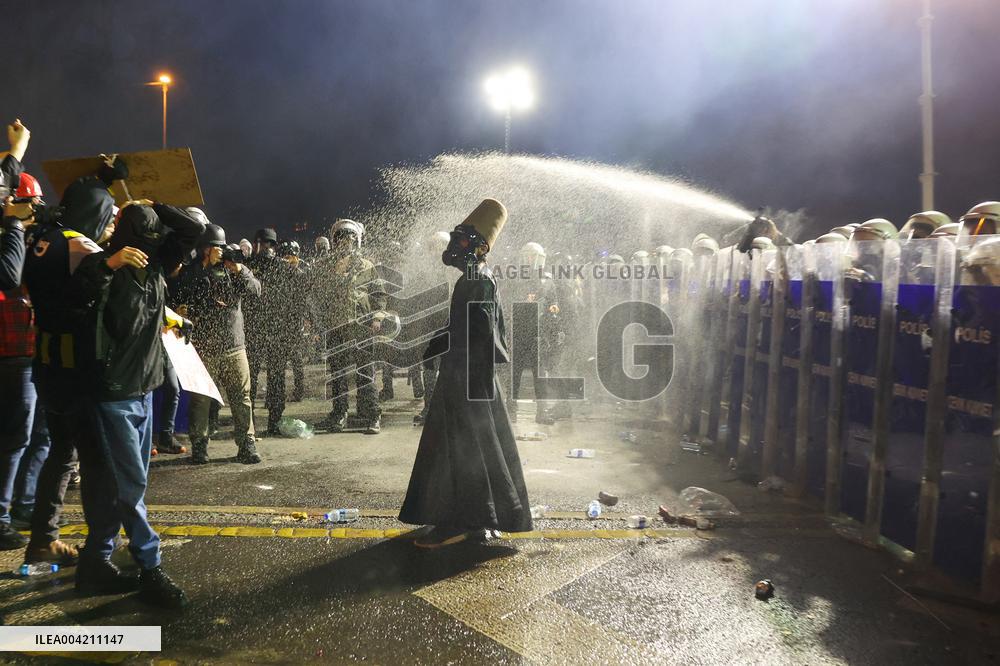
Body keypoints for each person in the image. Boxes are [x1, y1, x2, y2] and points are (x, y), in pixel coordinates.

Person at [21, 156, 144, 588]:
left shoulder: (43, 237)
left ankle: (43, 539)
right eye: (107, 217)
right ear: (94, 214)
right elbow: (90, 295)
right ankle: (98, 559)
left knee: (60, 453)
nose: (111, 226)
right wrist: (111, 263)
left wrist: (104, 181)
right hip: (77, 372)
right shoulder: (82, 247)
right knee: (98, 466)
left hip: (48, 366)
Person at [88, 201, 202, 607]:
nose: (154, 248)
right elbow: (78, 292)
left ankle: (95, 558)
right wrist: (111, 264)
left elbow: (192, 229)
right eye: (146, 239)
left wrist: (155, 205)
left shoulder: (153, 267)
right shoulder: (102, 269)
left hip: (141, 390)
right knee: (129, 485)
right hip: (114, 396)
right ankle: (149, 566)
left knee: (120, 484)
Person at [400, 198, 532, 547]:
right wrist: (443, 340)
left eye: (463, 239)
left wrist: (445, 344)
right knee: (480, 447)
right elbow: (470, 325)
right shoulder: (476, 276)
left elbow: (478, 330)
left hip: (467, 377)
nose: (455, 246)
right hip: (474, 377)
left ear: (481, 246)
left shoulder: (478, 278)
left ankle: (458, 521)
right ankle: (484, 519)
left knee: (461, 450)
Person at [175, 219, 262, 464]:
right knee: (201, 399)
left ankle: (247, 445)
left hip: (235, 346)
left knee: (241, 398)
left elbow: (255, 290)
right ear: (204, 248)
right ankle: (200, 447)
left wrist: (239, 269)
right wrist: (204, 266)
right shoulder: (193, 271)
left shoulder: (232, 270)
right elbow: (181, 290)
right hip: (205, 349)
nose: (221, 251)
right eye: (216, 247)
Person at [310, 219, 384, 434]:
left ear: (356, 241)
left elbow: (378, 295)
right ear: (335, 242)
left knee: (365, 373)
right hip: (335, 328)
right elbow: (318, 297)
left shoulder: (367, 266)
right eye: (341, 239)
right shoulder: (325, 268)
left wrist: (377, 318)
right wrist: (318, 324)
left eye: (350, 239)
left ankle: (372, 416)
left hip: (361, 327)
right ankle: (339, 414)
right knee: (338, 375)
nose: (345, 243)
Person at [506, 241, 560, 424]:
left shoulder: (547, 280)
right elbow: (506, 302)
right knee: (515, 372)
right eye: (527, 255)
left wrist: (554, 309)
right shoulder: (515, 278)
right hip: (519, 330)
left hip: (539, 332)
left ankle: (542, 411)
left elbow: (554, 301)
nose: (530, 259)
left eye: (532, 256)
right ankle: (511, 409)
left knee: (540, 372)